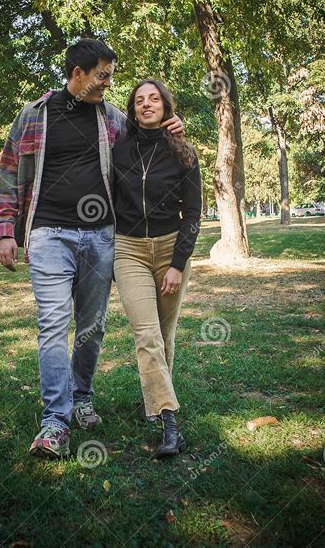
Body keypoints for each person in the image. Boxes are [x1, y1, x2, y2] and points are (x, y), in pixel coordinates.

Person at [0, 39, 184, 459]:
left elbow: (148, 138)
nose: (108, 83)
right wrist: (7, 230)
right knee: (53, 325)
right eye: (102, 75)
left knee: (92, 327)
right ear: (77, 74)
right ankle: (55, 422)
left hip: (101, 236)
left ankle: (81, 396)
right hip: (47, 235)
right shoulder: (34, 116)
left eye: (111, 75)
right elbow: (9, 171)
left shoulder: (113, 119)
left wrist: (173, 126)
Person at [112, 79, 202, 459]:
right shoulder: (118, 151)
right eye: (139, 100)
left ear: (166, 106)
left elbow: (194, 214)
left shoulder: (184, 152)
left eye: (154, 99)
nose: (146, 104)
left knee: (165, 334)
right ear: (132, 110)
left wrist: (178, 264)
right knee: (146, 334)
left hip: (170, 248)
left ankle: (155, 399)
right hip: (127, 248)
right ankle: (169, 423)